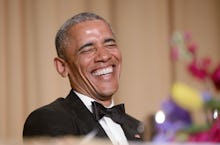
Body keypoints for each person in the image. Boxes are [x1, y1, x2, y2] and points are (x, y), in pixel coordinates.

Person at [23, 12, 144, 145]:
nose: (104, 56)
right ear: (62, 66)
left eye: (110, 45)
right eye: (88, 49)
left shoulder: (138, 127)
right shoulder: (48, 120)